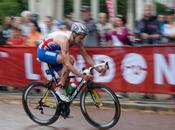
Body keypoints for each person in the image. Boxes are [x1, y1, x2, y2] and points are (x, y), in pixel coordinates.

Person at [37, 22, 106, 102]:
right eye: (80, 38)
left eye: (83, 38)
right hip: (43, 52)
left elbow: (86, 56)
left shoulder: (77, 40)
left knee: (66, 78)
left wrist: (97, 68)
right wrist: (81, 75)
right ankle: (59, 88)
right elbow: (67, 63)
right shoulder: (64, 40)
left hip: (54, 52)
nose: (82, 40)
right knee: (70, 60)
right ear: (74, 34)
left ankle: (62, 105)